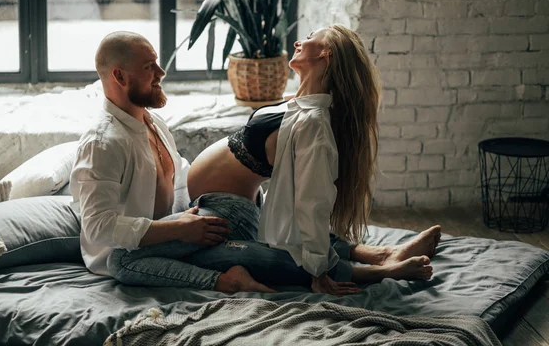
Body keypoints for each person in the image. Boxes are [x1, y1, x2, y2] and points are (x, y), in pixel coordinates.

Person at [184, 24, 441, 294]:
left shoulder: (314, 124)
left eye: (308, 39)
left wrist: (318, 270)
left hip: (230, 214)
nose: (297, 42)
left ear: (326, 54)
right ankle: (378, 254)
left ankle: (372, 272)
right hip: (236, 205)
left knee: (196, 258)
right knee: (290, 234)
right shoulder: (298, 102)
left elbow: (312, 201)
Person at [70, 31, 273, 293]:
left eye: (157, 62)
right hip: (128, 255)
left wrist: (198, 217)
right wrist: (177, 230)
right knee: (245, 251)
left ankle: (322, 252)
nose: (161, 72)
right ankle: (225, 281)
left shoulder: (153, 124)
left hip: (175, 236)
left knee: (246, 220)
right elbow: (98, 228)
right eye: (149, 66)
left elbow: (179, 183)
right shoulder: (102, 143)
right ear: (119, 76)